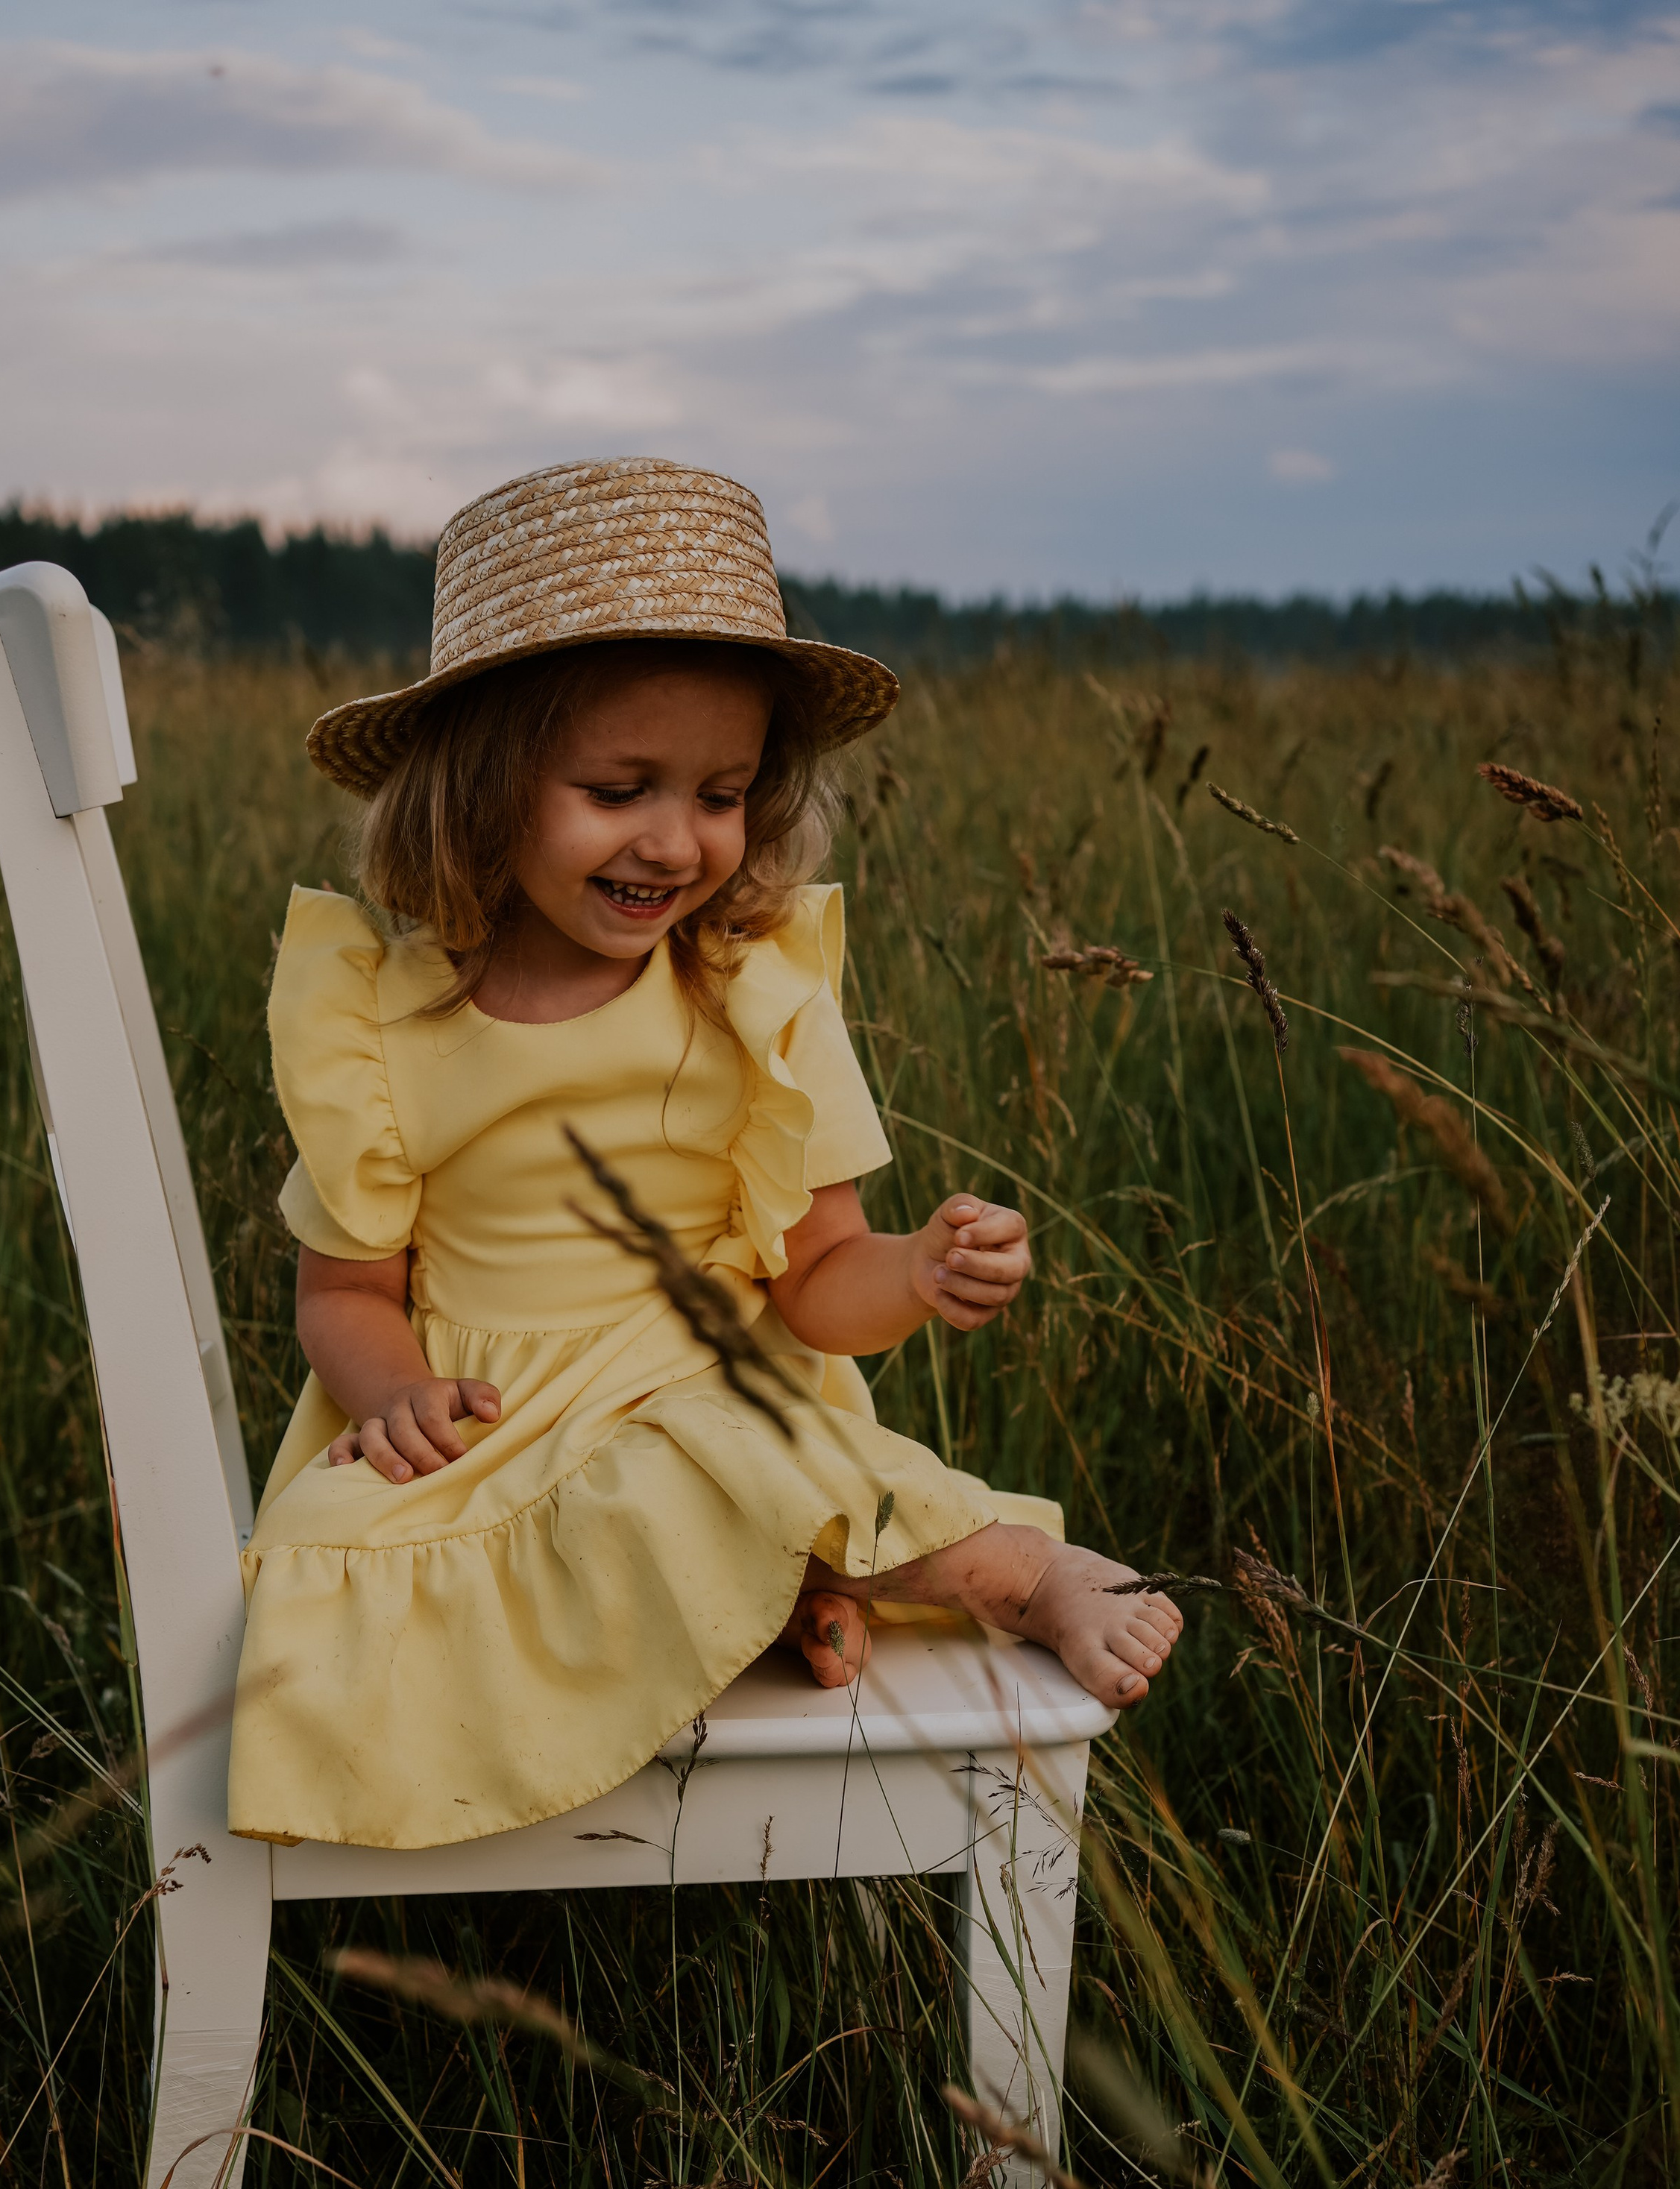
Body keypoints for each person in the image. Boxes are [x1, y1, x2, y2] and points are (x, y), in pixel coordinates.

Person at [228, 459, 1180, 1851]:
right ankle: (788, 1595)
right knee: (338, 1578)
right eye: (621, 789)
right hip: (498, 1419)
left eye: (723, 794)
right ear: (482, 786)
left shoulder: (752, 996)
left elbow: (818, 1284)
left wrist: (913, 1274)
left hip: (710, 1384)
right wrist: (398, 1399)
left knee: (711, 1463)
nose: (676, 842)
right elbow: (345, 1293)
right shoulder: (383, 1024)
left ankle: (1021, 1574)